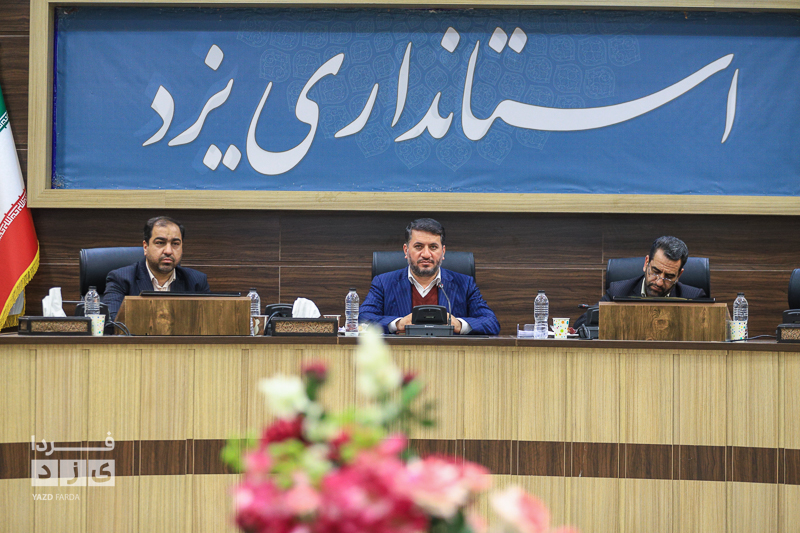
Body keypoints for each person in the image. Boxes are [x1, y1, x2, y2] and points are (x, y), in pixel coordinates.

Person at [360, 218, 500, 335]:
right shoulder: (384, 283)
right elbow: (362, 319)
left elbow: (491, 323)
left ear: (443, 252)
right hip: (400, 356)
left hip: (449, 355)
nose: (426, 254)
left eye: (433, 247)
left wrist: (458, 324)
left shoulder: (464, 284)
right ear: (406, 250)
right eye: (418, 246)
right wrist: (398, 324)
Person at [574, 235, 706, 328]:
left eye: (669, 276)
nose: (659, 282)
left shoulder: (693, 298)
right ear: (646, 263)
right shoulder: (619, 291)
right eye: (655, 271)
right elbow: (581, 325)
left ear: (679, 275)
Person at [103, 216, 210, 321]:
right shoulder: (121, 279)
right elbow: (112, 323)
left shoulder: (197, 281)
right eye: (160, 243)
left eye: (175, 244)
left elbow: (208, 322)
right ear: (145, 247)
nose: (168, 251)